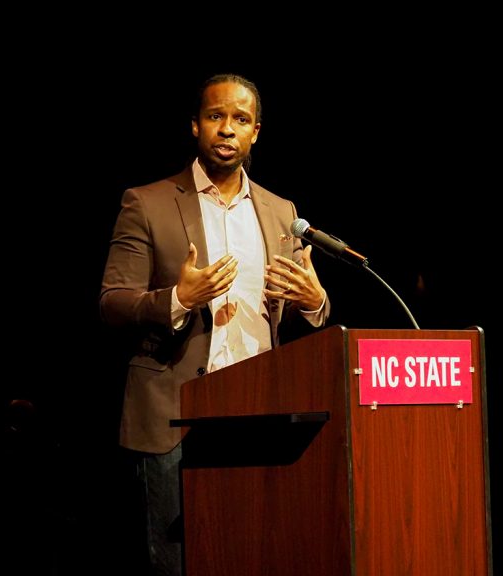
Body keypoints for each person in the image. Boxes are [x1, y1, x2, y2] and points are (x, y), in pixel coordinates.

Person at [100, 73, 329, 575]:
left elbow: (284, 305)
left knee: (255, 554)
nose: (227, 129)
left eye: (240, 120)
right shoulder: (147, 202)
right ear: (195, 126)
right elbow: (113, 301)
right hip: (175, 414)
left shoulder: (280, 211)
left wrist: (313, 302)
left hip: (258, 410)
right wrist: (179, 298)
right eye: (215, 116)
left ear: (255, 133)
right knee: (178, 563)